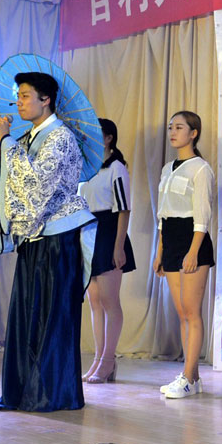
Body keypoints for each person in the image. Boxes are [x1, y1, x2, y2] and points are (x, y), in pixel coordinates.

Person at [0, 71, 95, 412]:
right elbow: (19, 182)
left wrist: (5, 142)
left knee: (51, 318)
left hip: (57, 240)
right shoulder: (31, 138)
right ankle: (22, 391)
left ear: (46, 100)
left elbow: (34, 187)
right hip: (35, 239)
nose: (18, 102)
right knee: (28, 317)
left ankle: (50, 394)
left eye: (25, 96)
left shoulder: (60, 137)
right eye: (18, 95)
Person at [155, 111, 216, 399]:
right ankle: (192, 376)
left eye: (179, 127)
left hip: (193, 241)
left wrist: (193, 252)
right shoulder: (167, 168)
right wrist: (160, 252)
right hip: (170, 239)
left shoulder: (200, 169)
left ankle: (188, 377)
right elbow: (162, 215)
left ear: (194, 133)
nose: (173, 132)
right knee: (182, 313)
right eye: (171, 127)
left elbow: (203, 215)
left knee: (192, 312)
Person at [78, 118, 137, 384]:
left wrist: (118, 246)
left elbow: (123, 209)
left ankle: (108, 360)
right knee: (94, 301)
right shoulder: (87, 168)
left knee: (109, 300)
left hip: (109, 231)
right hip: (88, 232)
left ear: (108, 138)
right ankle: (98, 359)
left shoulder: (117, 168)